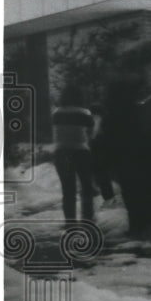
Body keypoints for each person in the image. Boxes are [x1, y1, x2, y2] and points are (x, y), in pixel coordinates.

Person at [101, 41, 151, 293]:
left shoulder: (128, 89)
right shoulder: (141, 89)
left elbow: (110, 127)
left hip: (138, 161)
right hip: (144, 159)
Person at [52, 84, 96, 223]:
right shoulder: (85, 113)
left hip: (61, 152)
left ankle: (70, 223)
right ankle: (87, 219)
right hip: (81, 152)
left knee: (68, 190)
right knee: (86, 187)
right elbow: (91, 133)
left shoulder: (56, 113)